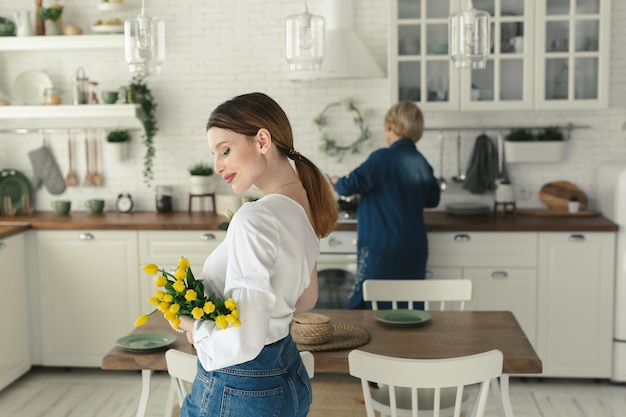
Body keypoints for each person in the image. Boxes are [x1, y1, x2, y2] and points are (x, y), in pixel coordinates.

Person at [176, 92, 338, 417]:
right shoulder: (304, 205)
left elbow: (244, 341)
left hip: (241, 386)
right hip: (287, 374)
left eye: (225, 150)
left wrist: (196, 329)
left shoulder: (254, 218)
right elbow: (306, 299)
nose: (217, 166)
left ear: (262, 140)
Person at [333, 101, 441, 310]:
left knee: (370, 307)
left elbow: (347, 187)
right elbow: (433, 200)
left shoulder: (382, 158)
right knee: (407, 309)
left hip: (381, 249)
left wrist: (337, 181)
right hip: (414, 248)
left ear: (390, 127)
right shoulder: (421, 162)